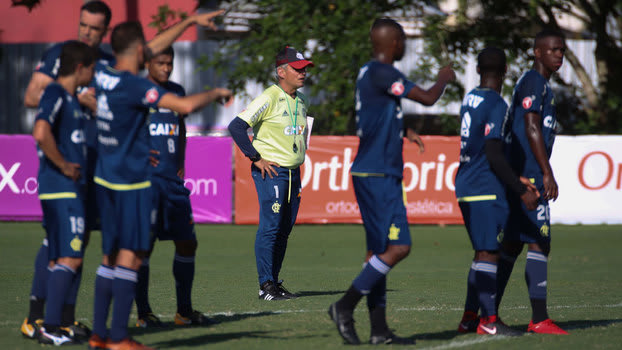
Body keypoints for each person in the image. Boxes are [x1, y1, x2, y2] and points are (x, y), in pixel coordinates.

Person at [88, 18, 231, 350]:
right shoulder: (135, 86)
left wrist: (192, 20)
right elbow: (184, 106)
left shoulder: (105, 74)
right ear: (141, 54)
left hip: (109, 181)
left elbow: (150, 52)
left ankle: (100, 334)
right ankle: (125, 333)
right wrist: (216, 91)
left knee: (112, 256)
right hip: (135, 184)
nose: (161, 62)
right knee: (133, 255)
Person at [328, 17, 455, 345]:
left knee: (378, 252)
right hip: (379, 174)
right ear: (392, 42)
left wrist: (403, 130)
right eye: (401, 40)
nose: (404, 45)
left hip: (369, 171)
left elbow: (375, 113)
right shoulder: (385, 72)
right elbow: (427, 98)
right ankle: (344, 306)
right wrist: (444, 78)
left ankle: (379, 330)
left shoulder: (369, 73)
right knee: (399, 247)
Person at [21, 1, 113, 341]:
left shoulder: (105, 63)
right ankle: (40, 319)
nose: (87, 32)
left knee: (76, 247)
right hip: (64, 176)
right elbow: (35, 103)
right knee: (60, 248)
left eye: (94, 28)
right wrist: (62, 163)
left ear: (105, 31)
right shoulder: (61, 65)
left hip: (87, 169)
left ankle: (63, 320)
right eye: (83, 25)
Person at [454, 47, 540, 336]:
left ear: (478, 70)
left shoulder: (470, 98)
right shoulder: (496, 104)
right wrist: (520, 188)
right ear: (505, 71)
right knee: (490, 252)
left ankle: (469, 318)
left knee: (482, 252)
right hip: (483, 187)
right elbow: (493, 152)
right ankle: (489, 321)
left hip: (464, 183)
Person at [133, 47, 216, 328]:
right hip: (146, 182)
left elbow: (180, 127)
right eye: (161, 63)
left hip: (172, 182)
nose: (166, 68)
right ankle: (144, 314)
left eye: (170, 63)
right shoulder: (136, 89)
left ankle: (183, 311)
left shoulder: (176, 91)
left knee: (187, 242)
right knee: (143, 248)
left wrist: (180, 160)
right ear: (147, 63)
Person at [494, 29, 568, 335]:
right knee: (539, 241)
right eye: (552, 50)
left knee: (511, 244)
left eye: (561, 50)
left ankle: (483, 314)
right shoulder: (534, 82)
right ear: (537, 52)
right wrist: (546, 171)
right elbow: (531, 125)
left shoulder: (539, 84)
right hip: (529, 176)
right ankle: (539, 318)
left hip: (521, 174)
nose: (558, 55)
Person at [227, 46, 313, 301]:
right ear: (281, 71)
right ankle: (265, 285)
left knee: (284, 229)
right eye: (297, 69)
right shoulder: (269, 97)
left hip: (293, 173)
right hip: (273, 172)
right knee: (271, 227)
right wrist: (256, 158)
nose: (303, 73)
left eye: (304, 68)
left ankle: (274, 282)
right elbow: (236, 126)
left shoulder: (301, 101)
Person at [30, 41, 97, 346]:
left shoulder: (72, 99)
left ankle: (59, 324)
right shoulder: (57, 92)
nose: (94, 75)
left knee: (66, 258)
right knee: (69, 257)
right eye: (92, 68)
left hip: (70, 191)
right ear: (80, 68)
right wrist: (65, 167)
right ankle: (50, 327)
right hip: (61, 189)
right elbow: (40, 132)